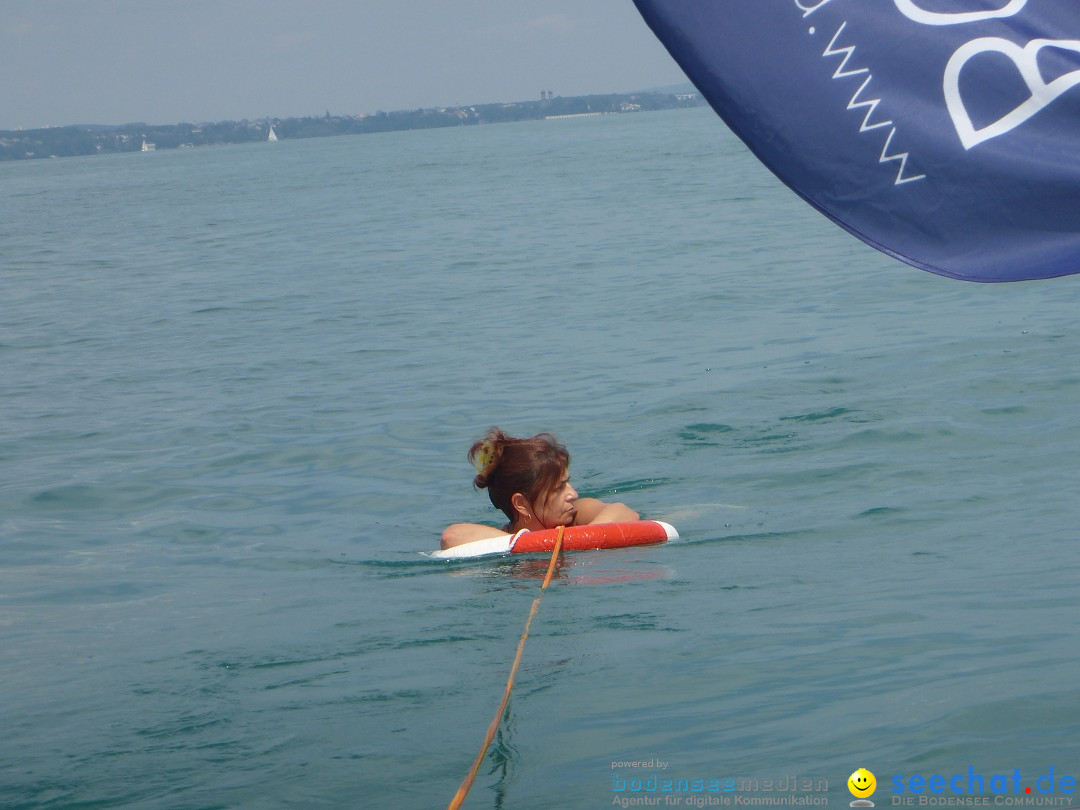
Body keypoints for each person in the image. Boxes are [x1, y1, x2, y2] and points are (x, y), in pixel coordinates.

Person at [441, 427, 639, 549]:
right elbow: (451, 537)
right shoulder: (500, 541)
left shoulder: (577, 516)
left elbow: (624, 513)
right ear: (520, 503)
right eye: (558, 488)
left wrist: (579, 539)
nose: (572, 494)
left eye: (567, 483)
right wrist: (532, 543)